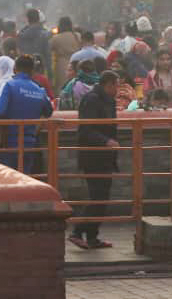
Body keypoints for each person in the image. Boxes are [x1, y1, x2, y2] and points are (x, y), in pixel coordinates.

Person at [70, 70, 120, 250]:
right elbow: (86, 130)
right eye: (117, 85)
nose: (118, 89)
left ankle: (92, 237)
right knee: (98, 197)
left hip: (105, 156)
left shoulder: (108, 101)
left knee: (102, 197)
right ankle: (77, 231)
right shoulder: (91, 100)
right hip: (93, 156)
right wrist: (105, 141)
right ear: (109, 85)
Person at [0, 54, 53, 172]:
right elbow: (49, 111)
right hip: (30, 143)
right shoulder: (40, 90)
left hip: (9, 142)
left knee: (7, 181)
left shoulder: (9, 85)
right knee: (24, 180)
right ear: (33, 71)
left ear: (14, 69)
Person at [50, 16, 81, 88]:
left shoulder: (56, 38)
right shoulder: (77, 36)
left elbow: (49, 49)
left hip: (61, 65)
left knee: (62, 86)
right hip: (76, 64)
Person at [17, 8, 51, 74]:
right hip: (40, 71)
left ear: (27, 19)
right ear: (38, 19)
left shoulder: (21, 35)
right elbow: (48, 56)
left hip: (25, 71)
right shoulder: (44, 35)